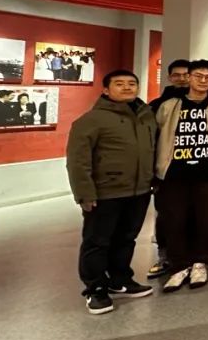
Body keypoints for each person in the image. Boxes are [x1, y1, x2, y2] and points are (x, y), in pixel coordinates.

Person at [66, 69, 156, 314]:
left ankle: (120, 279)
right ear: (106, 89)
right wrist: (84, 193)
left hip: (139, 190)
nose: (127, 87)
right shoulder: (91, 120)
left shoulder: (145, 116)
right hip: (105, 192)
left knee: (126, 238)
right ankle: (95, 288)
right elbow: (77, 161)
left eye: (131, 83)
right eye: (119, 83)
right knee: (97, 241)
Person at [153, 60, 208, 292]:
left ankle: (200, 262)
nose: (203, 80)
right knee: (174, 220)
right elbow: (157, 136)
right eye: (198, 76)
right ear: (189, 77)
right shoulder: (169, 106)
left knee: (205, 220)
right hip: (174, 173)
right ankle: (178, 265)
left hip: (207, 173)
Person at [146, 58, 192, 279]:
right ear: (169, 77)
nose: (182, 79)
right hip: (167, 171)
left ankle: (192, 258)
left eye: (186, 74)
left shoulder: (207, 103)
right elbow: (149, 140)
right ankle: (165, 257)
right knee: (167, 216)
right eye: (177, 75)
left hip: (196, 171)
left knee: (195, 216)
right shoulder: (156, 106)